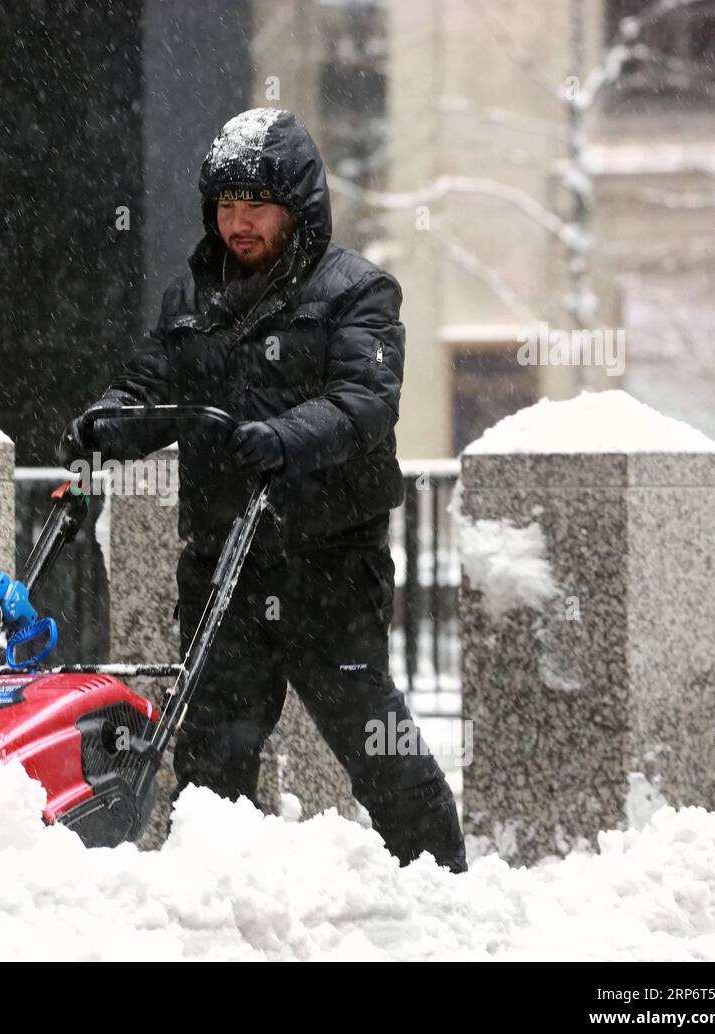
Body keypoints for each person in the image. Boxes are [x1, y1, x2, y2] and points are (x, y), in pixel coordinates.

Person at [56, 107, 467, 872]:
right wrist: (105, 423)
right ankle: (218, 902)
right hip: (221, 562)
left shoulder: (358, 291)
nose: (238, 224)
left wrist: (284, 436)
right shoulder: (191, 299)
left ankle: (446, 881)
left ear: (299, 209)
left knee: (374, 741)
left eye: (257, 208)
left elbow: (365, 401)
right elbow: (150, 387)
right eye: (227, 207)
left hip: (328, 563)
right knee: (212, 754)